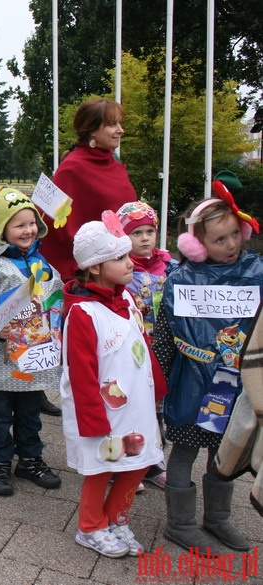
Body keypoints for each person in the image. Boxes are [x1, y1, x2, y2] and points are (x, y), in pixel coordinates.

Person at [157, 182, 262, 552]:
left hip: (237, 387)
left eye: (236, 234)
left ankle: (217, 519)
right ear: (198, 245)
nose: (232, 244)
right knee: (184, 451)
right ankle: (180, 525)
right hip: (191, 384)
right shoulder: (180, 281)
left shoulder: (256, 273)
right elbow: (165, 339)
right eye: (220, 239)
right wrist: (160, 387)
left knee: (226, 453)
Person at [61, 217, 166, 558]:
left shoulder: (128, 301)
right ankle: (90, 526)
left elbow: (142, 348)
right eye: (120, 258)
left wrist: (158, 389)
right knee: (103, 466)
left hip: (136, 404)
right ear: (94, 268)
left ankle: (116, 517)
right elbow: (81, 372)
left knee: (137, 462)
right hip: (103, 412)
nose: (130, 262)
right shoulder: (83, 313)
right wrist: (92, 420)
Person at [0, 189, 64, 496]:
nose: (28, 230)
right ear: (2, 228)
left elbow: (50, 298)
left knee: (30, 413)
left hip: (32, 358)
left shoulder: (40, 261)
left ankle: (31, 459)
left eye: (32, 223)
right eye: (19, 225)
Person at [42, 98, 137, 282]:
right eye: (112, 125)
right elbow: (53, 225)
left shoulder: (114, 162)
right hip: (91, 275)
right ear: (92, 130)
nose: (120, 130)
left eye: (119, 123)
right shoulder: (72, 168)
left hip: (124, 264)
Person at [116, 200, 175, 490]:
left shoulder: (170, 266)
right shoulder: (120, 269)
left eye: (149, 231)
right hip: (132, 349)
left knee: (157, 408)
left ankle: (153, 462)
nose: (144, 238)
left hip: (161, 350)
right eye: (135, 232)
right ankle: (126, 464)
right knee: (130, 407)